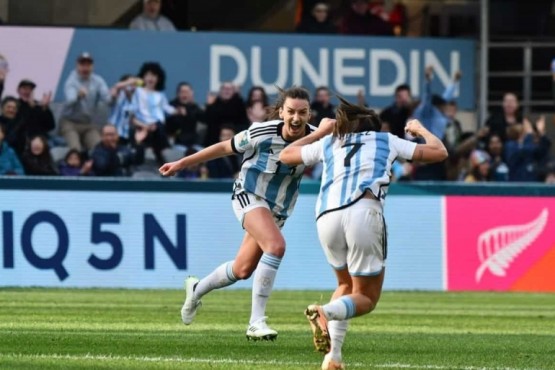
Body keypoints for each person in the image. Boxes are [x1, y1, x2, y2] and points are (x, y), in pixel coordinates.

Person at [279, 97, 448, 370]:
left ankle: (333, 358)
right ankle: (325, 312)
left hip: (326, 216)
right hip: (363, 210)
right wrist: (421, 130)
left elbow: (285, 156)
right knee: (366, 298)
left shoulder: (331, 142)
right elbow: (439, 153)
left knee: (345, 286)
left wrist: (321, 132)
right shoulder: (386, 140)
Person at [159, 86, 322, 340]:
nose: (296, 118)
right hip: (249, 193)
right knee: (276, 246)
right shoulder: (261, 131)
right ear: (281, 111)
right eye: (290, 111)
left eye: (302, 112)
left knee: (242, 270)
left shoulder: (317, 138)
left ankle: (196, 289)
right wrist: (182, 163)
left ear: (310, 114)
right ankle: (256, 322)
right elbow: (224, 147)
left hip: (278, 208)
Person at [59, 52, 111, 152]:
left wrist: (114, 93)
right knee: (75, 151)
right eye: (82, 65)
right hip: (70, 123)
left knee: (99, 150)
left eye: (88, 65)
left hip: (88, 124)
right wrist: (78, 96)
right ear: (77, 66)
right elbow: (70, 101)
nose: (85, 68)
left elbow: (107, 99)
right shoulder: (71, 81)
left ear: (92, 66)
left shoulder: (98, 80)